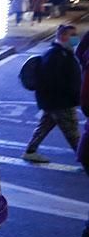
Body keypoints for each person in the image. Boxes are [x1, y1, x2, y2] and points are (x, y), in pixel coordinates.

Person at [22, 24, 81, 164]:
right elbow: (54, 82)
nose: (75, 38)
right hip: (61, 102)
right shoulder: (56, 55)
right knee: (73, 132)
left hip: (53, 102)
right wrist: (72, 96)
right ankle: (85, 158)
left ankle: (30, 151)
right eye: (72, 35)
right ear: (62, 36)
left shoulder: (63, 52)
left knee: (44, 126)